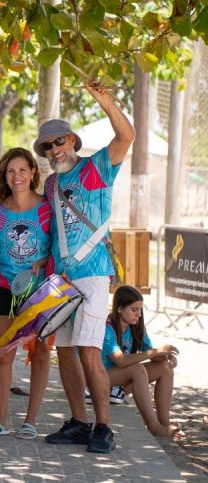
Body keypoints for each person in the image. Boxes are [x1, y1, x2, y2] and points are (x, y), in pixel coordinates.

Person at [39, 82, 135, 453]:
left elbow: (127, 135)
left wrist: (104, 101)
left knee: (89, 351)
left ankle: (104, 427)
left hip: (94, 274)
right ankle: (79, 422)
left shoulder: (96, 167)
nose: (54, 149)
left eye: (59, 141)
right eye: (48, 146)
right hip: (61, 279)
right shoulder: (51, 184)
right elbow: (52, 234)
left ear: (73, 141)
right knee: (64, 351)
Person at [0, 148, 52, 440]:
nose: (16, 176)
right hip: (5, 287)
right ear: (5, 176)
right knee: (3, 354)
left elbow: (56, 247)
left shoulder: (46, 207)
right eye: (10, 171)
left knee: (41, 353)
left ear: (33, 172)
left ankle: (30, 421)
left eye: (22, 170)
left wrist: (42, 262)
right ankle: (2, 420)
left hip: (41, 291)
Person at [103, 286, 179, 438]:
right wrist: (155, 352)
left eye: (140, 309)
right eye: (134, 309)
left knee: (165, 368)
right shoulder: (107, 328)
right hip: (101, 381)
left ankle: (164, 423)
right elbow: (121, 361)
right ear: (119, 309)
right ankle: (153, 427)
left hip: (119, 384)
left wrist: (165, 356)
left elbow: (151, 354)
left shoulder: (136, 327)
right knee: (137, 369)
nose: (138, 314)